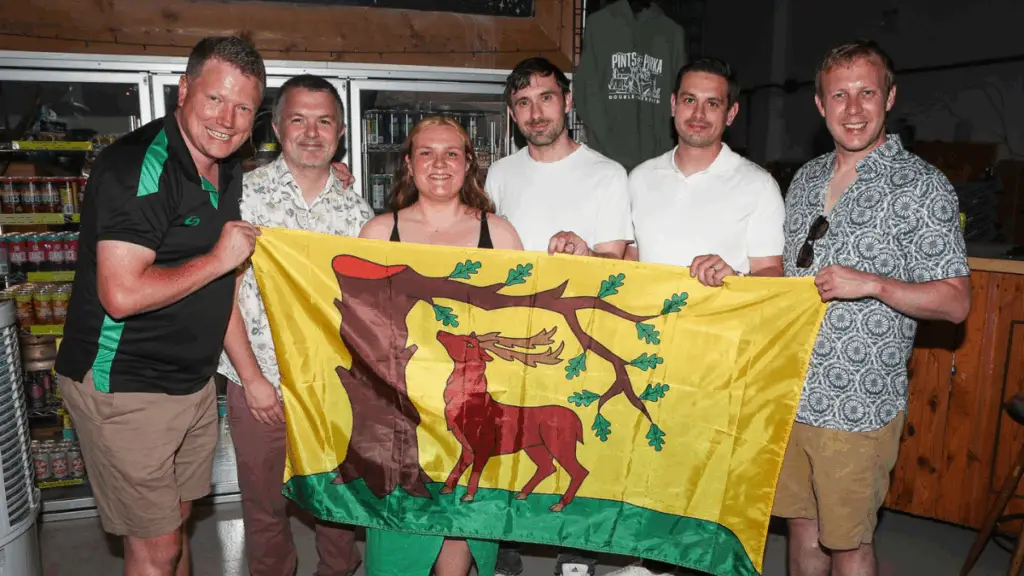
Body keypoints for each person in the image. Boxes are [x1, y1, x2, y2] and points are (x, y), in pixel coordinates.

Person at [54, 36, 265, 576]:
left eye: (243, 108)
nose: (227, 120)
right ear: (184, 90)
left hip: (190, 385)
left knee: (177, 521)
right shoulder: (139, 168)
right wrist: (218, 260)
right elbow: (121, 295)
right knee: (158, 546)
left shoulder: (226, 166)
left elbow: (214, 290)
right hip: (125, 386)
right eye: (216, 99)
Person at [773, 40, 971, 576]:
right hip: (791, 394)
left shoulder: (922, 186)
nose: (854, 109)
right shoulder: (805, 179)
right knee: (802, 527)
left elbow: (956, 302)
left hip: (857, 405)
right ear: (820, 104)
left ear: (890, 98)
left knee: (849, 544)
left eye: (867, 93)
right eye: (839, 95)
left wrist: (875, 284)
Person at [483, 55, 635, 576]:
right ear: (512, 114)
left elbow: (619, 265)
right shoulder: (500, 173)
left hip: (577, 339)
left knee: (572, 438)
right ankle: (504, 549)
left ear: (567, 102)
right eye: (523, 103)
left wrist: (587, 253)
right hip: (512, 337)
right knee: (510, 436)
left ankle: (577, 554)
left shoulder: (607, 174)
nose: (536, 112)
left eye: (546, 98)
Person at [218, 74, 371, 576]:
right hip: (258, 381)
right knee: (264, 506)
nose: (311, 133)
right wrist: (254, 381)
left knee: (337, 503)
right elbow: (220, 297)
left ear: (340, 132)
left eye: (324, 121)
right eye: (298, 120)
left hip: (332, 387)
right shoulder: (242, 196)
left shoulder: (358, 211)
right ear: (277, 128)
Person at [359, 115, 523, 576]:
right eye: (426, 153)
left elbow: (520, 313)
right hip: (401, 405)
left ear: (468, 164)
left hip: (469, 405)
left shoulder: (499, 233)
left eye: (452, 153)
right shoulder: (378, 233)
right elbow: (360, 321)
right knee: (401, 523)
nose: (439, 163)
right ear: (408, 164)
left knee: (460, 517)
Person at [626, 57, 785, 284]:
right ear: (673, 104)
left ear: (731, 113)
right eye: (689, 100)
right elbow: (630, 261)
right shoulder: (639, 178)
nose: (698, 114)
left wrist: (735, 279)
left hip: (724, 309)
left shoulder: (760, 186)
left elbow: (771, 272)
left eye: (712, 104)